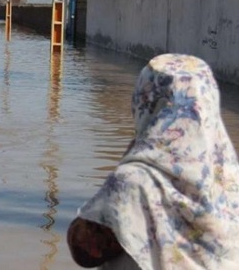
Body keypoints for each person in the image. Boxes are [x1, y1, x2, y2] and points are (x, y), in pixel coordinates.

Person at [67, 53, 239, 270]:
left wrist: (128, 162)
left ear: (145, 100)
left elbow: (85, 251)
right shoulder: (229, 178)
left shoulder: (135, 180)